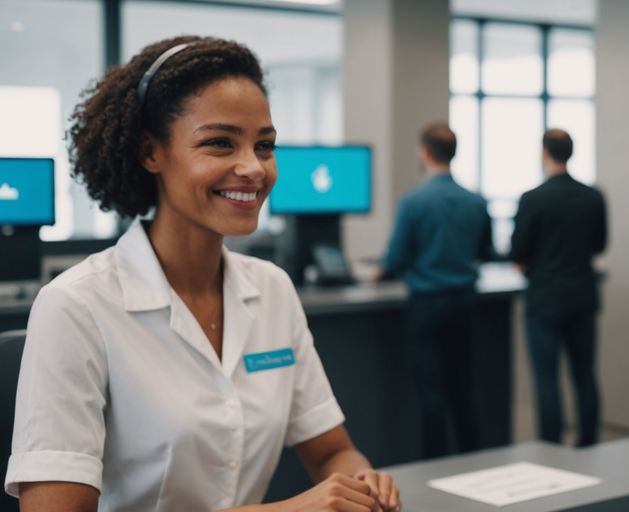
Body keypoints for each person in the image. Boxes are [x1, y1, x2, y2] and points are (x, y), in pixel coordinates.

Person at [4, 36, 401, 512]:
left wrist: (363, 484)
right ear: (151, 153)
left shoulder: (272, 289)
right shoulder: (77, 306)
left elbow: (332, 449)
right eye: (220, 143)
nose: (253, 168)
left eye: (265, 145)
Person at [373, 122, 492, 459]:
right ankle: (473, 460)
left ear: (424, 152)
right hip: (465, 303)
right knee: (464, 388)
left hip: (427, 305)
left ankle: (436, 466)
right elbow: (486, 250)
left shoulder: (414, 202)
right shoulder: (475, 201)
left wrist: (375, 274)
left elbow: (395, 257)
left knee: (432, 392)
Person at [510, 129, 607, 447]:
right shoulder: (593, 196)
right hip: (582, 294)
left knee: (546, 377)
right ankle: (588, 442)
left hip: (544, 296)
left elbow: (518, 251)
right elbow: (599, 244)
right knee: (584, 373)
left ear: (544, 153)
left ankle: (550, 446)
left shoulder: (533, 198)